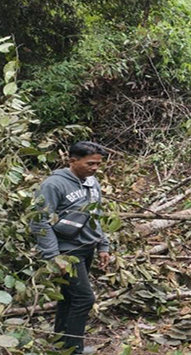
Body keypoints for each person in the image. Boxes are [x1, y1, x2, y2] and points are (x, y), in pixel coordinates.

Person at [30, 141, 111, 355]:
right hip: (68, 252)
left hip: (88, 247)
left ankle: (60, 345)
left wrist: (103, 245)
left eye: (98, 164)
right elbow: (39, 221)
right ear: (72, 160)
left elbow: (97, 215)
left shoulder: (93, 182)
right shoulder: (53, 185)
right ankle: (74, 350)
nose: (94, 168)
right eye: (90, 164)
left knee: (68, 297)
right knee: (85, 298)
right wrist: (54, 256)